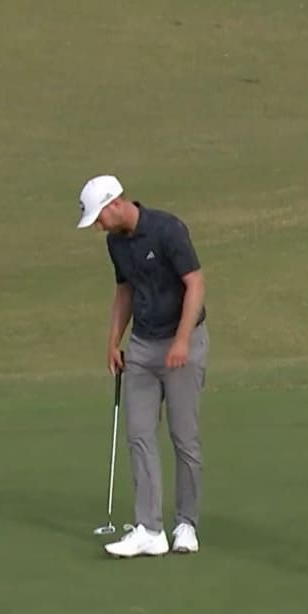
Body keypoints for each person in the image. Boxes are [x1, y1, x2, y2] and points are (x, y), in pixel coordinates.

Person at [78, 174, 208, 558]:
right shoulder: (115, 244)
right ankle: (150, 529)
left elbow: (196, 284)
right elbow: (125, 290)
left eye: (98, 217)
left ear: (114, 204)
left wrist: (183, 339)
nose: (97, 225)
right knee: (139, 434)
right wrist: (113, 341)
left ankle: (186, 524)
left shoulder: (168, 229)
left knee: (184, 437)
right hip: (142, 347)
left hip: (182, 343)